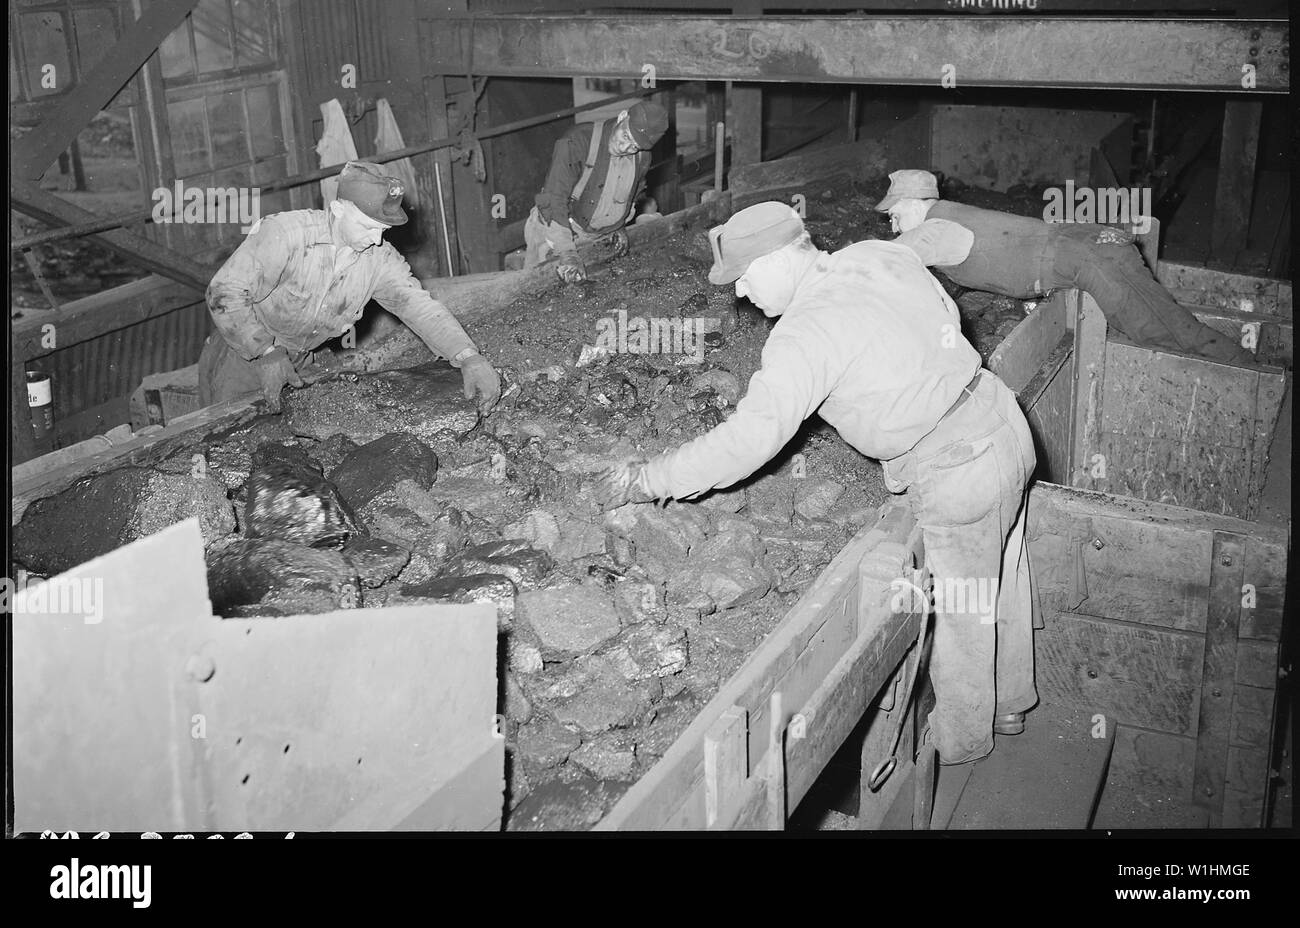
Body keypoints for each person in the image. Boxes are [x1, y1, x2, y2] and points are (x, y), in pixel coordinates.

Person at [595, 201, 1038, 766]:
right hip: (1001, 420)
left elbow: (748, 441)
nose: (740, 294)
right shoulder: (873, 255)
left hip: (955, 464)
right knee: (1004, 572)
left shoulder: (804, 333)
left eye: (745, 277)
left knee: (963, 608)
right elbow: (937, 261)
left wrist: (647, 479)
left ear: (780, 260)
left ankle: (960, 745)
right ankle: (1011, 702)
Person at [199, 160, 500, 413]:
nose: (377, 239)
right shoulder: (285, 235)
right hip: (240, 354)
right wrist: (266, 352)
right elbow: (224, 293)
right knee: (226, 447)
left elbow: (419, 306)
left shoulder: (379, 259)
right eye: (369, 227)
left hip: (299, 360)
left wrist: (468, 357)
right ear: (339, 209)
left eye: (383, 230)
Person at [875, 169, 1255, 366]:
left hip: (1088, 256)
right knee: (1162, 328)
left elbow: (883, 261)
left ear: (912, 202)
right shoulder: (949, 214)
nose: (892, 224)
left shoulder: (935, 228)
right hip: (1084, 245)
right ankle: (1246, 370)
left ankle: (1255, 376)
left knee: (1163, 331)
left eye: (893, 214)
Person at [523, 100, 670, 283]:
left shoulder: (642, 157)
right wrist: (567, 252)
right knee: (534, 293)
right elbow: (554, 199)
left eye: (634, 146)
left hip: (595, 236)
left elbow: (634, 193)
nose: (625, 148)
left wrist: (618, 226)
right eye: (625, 136)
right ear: (623, 116)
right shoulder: (578, 140)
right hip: (557, 230)